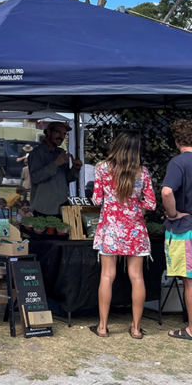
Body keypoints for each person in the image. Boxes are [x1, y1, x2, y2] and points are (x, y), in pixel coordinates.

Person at [90, 132, 155, 339]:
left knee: (107, 276)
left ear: (116, 145)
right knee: (137, 277)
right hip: (135, 229)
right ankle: (135, 329)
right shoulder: (142, 172)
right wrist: (135, 206)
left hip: (110, 228)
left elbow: (95, 200)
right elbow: (151, 203)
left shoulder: (102, 169)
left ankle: (102, 327)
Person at [161, 119, 192, 341]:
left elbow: (166, 191)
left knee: (189, 280)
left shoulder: (179, 162)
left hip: (185, 229)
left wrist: (172, 214)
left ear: (176, 140)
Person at [28, 121, 82, 217]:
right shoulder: (37, 153)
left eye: (64, 134)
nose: (62, 136)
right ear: (48, 132)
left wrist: (75, 168)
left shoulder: (60, 152)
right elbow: (35, 178)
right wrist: (55, 164)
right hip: (43, 208)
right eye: (58, 132)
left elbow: (67, 179)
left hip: (61, 207)